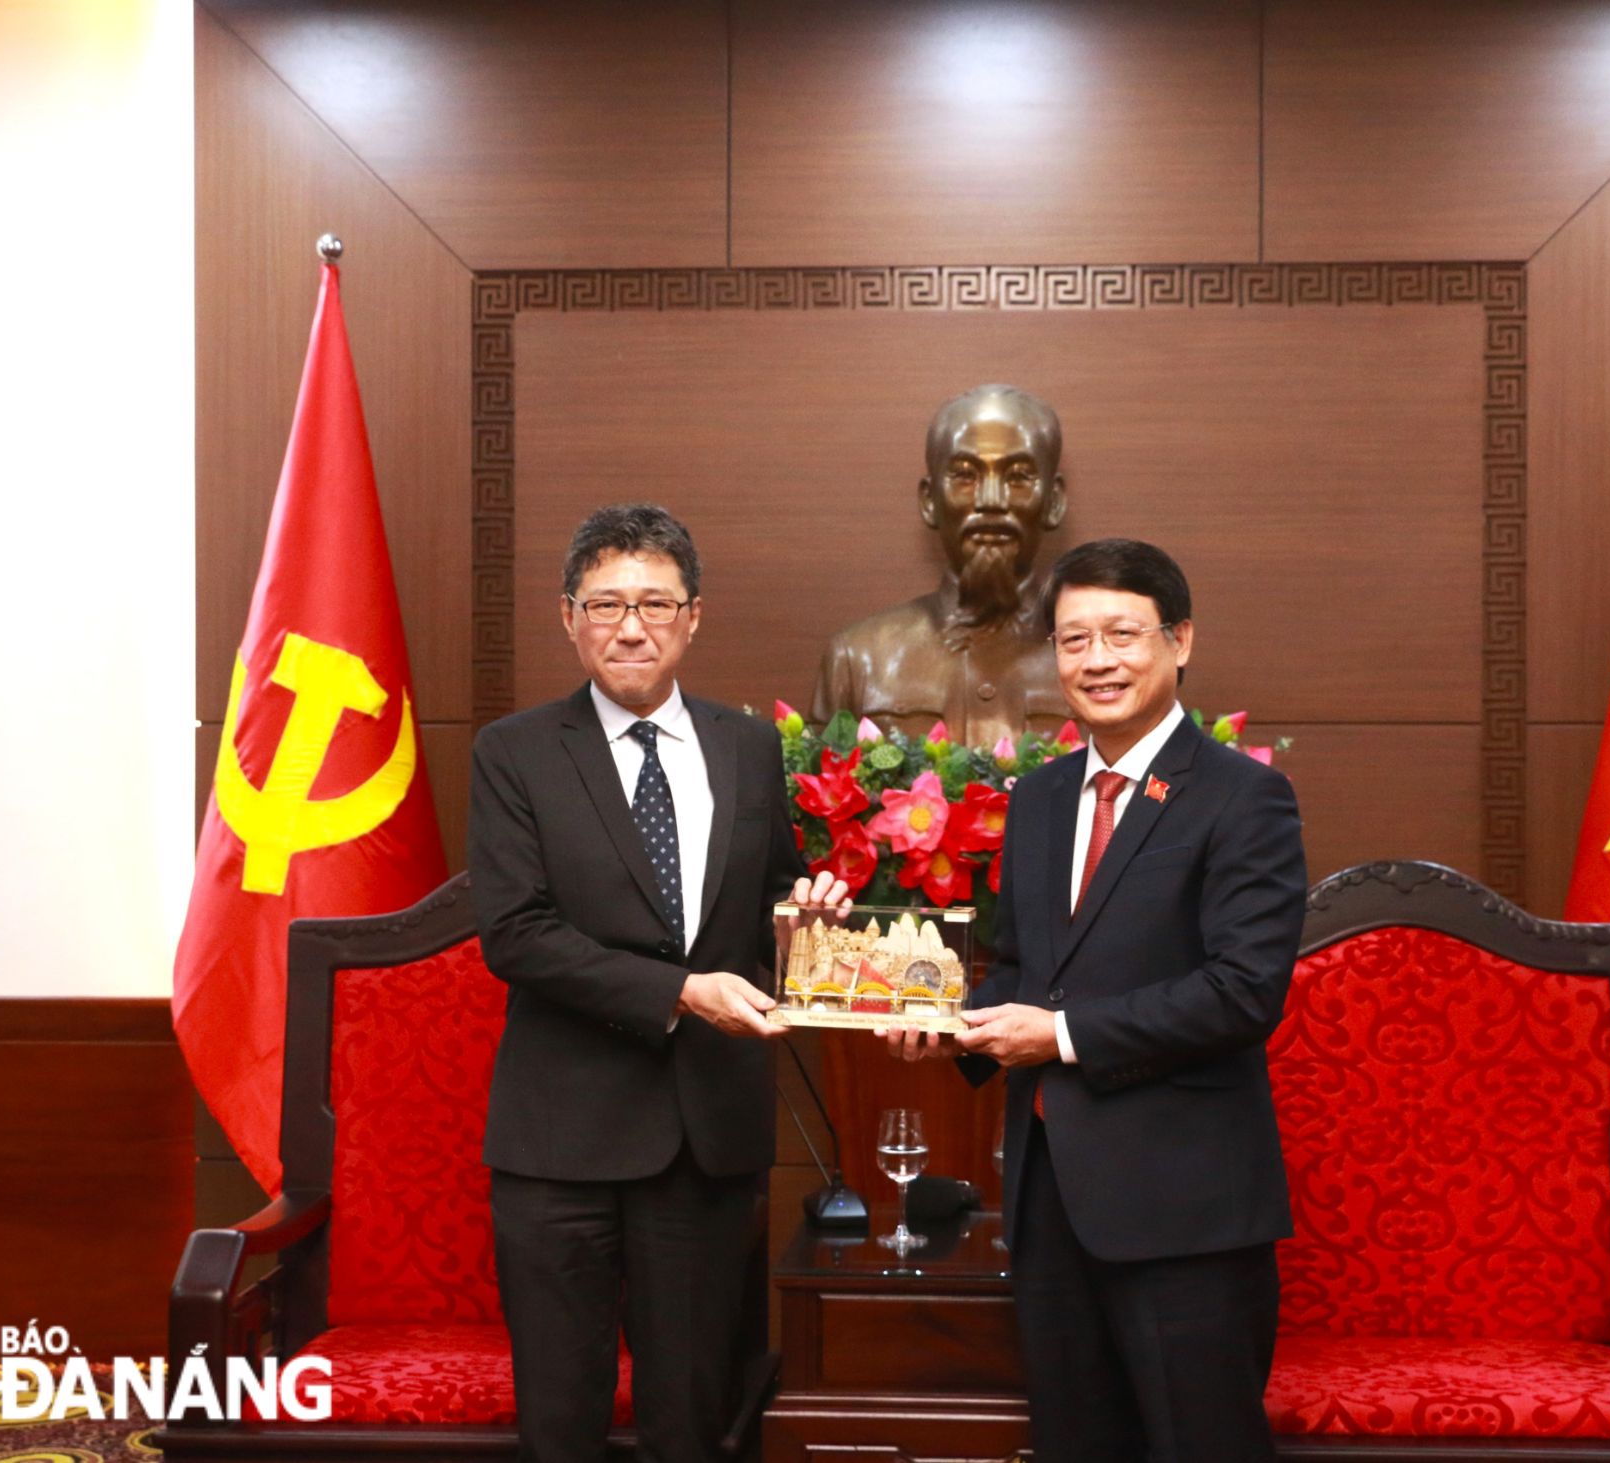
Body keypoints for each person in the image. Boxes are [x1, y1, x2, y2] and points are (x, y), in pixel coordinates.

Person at [885, 538, 1307, 1463]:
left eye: (1122, 634)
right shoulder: (1036, 800)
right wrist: (954, 1028)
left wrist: (1063, 1035)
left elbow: (1242, 993)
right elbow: (1029, 972)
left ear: (1181, 640)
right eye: (1074, 640)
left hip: (1184, 1214)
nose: (1097, 660)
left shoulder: (1244, 799)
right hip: (1051, 1208)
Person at [470, 504, 846, 1463]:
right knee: (562, 1413)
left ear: (693, 617)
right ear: (568, 617)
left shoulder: (748, 746)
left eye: (653, 604)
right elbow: (516, 934)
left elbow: (766, 903)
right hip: (560, 1140)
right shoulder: (514, 752)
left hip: (705, 1135)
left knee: (694, 1412)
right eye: (604, 604)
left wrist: (807, 922)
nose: (629, 626)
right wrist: (681, 992)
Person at [812, 383, 1073, 746]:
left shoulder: (1099, 662)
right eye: (965, 475)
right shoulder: (858, 657)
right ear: (930, 500)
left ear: (1054, 502)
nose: (991, 501)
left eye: (1018, 477)